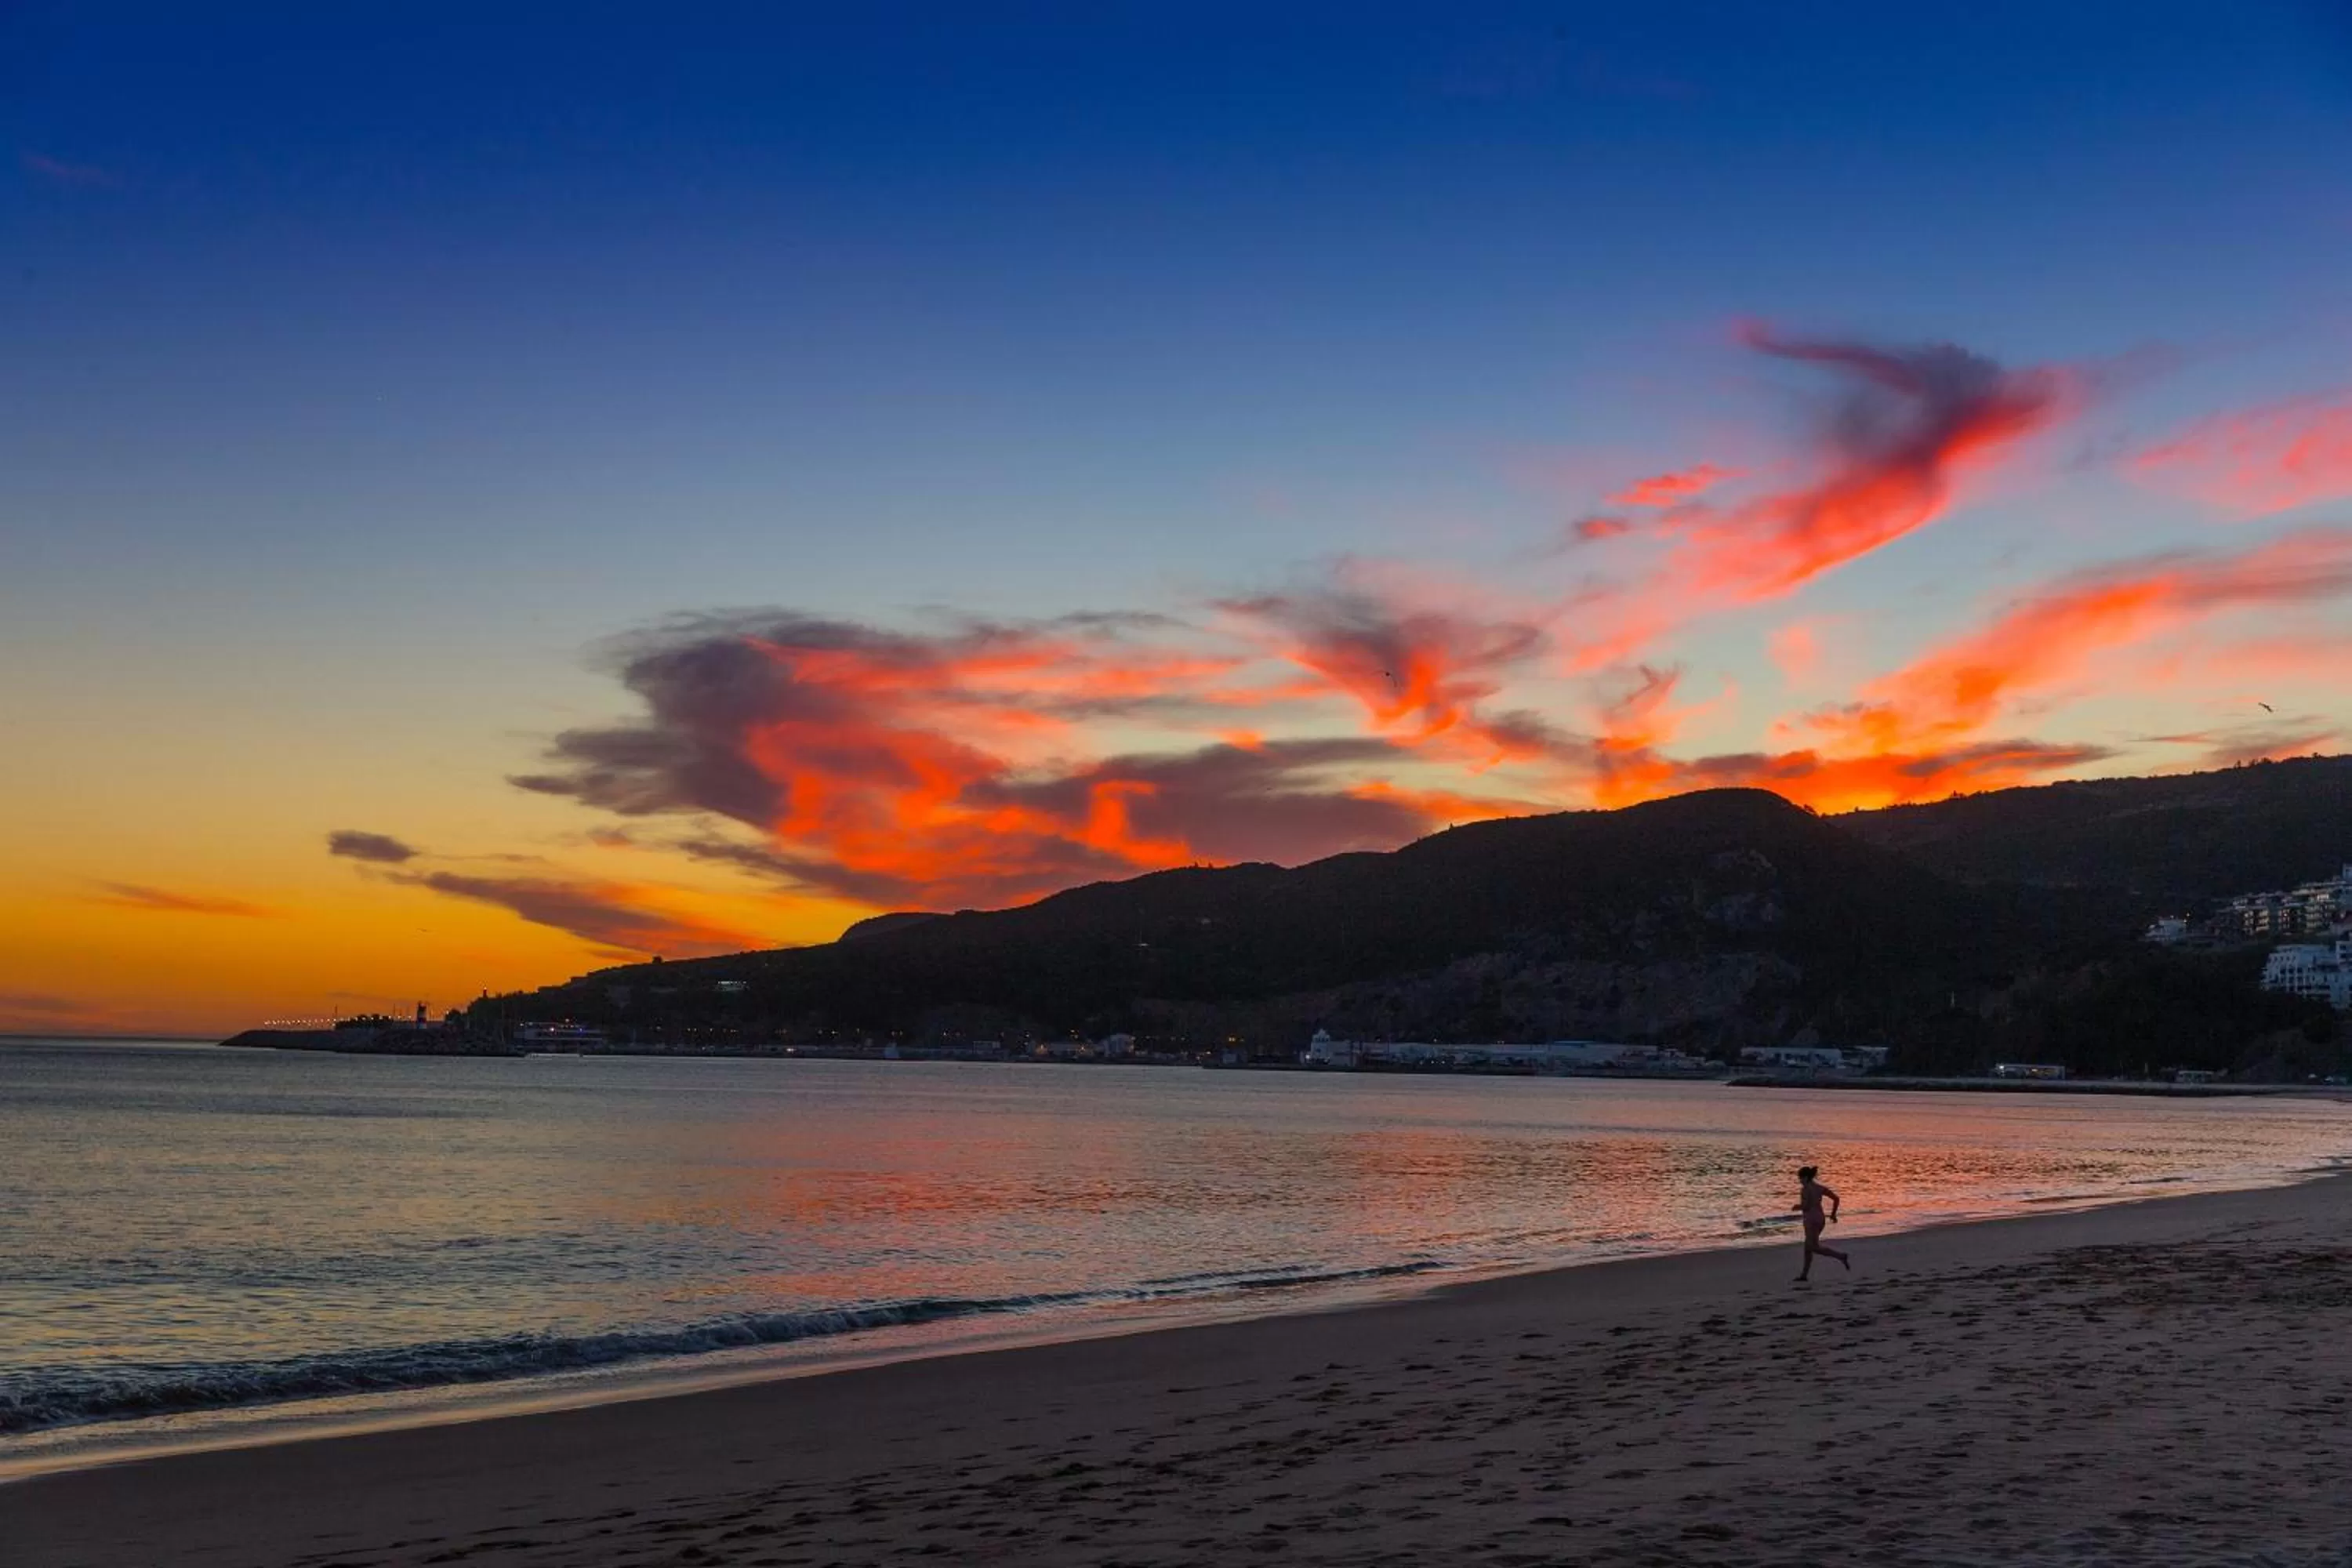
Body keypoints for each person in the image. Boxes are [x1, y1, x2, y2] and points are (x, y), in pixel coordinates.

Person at [1793, 1165, 1849, 1282]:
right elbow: (1836, 1198)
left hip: (1811, 1221)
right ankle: (1804, 1276)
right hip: (1820, 1219)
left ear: (1807, 1178)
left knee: (1813, 1247)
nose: (1800, 1181)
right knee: (1808, 1248)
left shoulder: (1805, 1189)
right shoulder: (1819, 1188)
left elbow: (1807, 1206)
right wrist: (1833, 1214)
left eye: (1801, 1178)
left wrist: (1797, 1207)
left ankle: (1841, 1256)